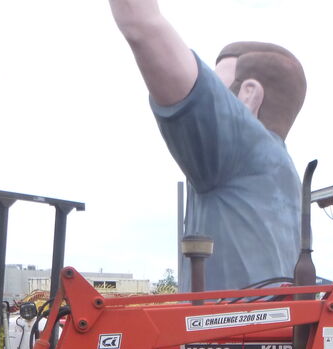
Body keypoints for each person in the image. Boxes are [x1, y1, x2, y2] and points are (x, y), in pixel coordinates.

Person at [108, 0, 307, 291]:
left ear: (248, 96)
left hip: (223, 333)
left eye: (216, 84)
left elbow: (141, 24)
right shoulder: (283, 172)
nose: (207, 88)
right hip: (265, 331)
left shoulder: (240, 146)